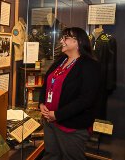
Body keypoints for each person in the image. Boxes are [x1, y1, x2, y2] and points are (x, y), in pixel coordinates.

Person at [39, 27, 101, 160]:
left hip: (71, 126)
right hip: (50, 122)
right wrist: (41, 103)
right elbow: (47, 83)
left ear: (78, 42)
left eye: (65, 38)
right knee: (51, 155)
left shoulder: (90, 65)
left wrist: (57, 114)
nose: (61, 41)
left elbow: (86, 99)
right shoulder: (60, 60)